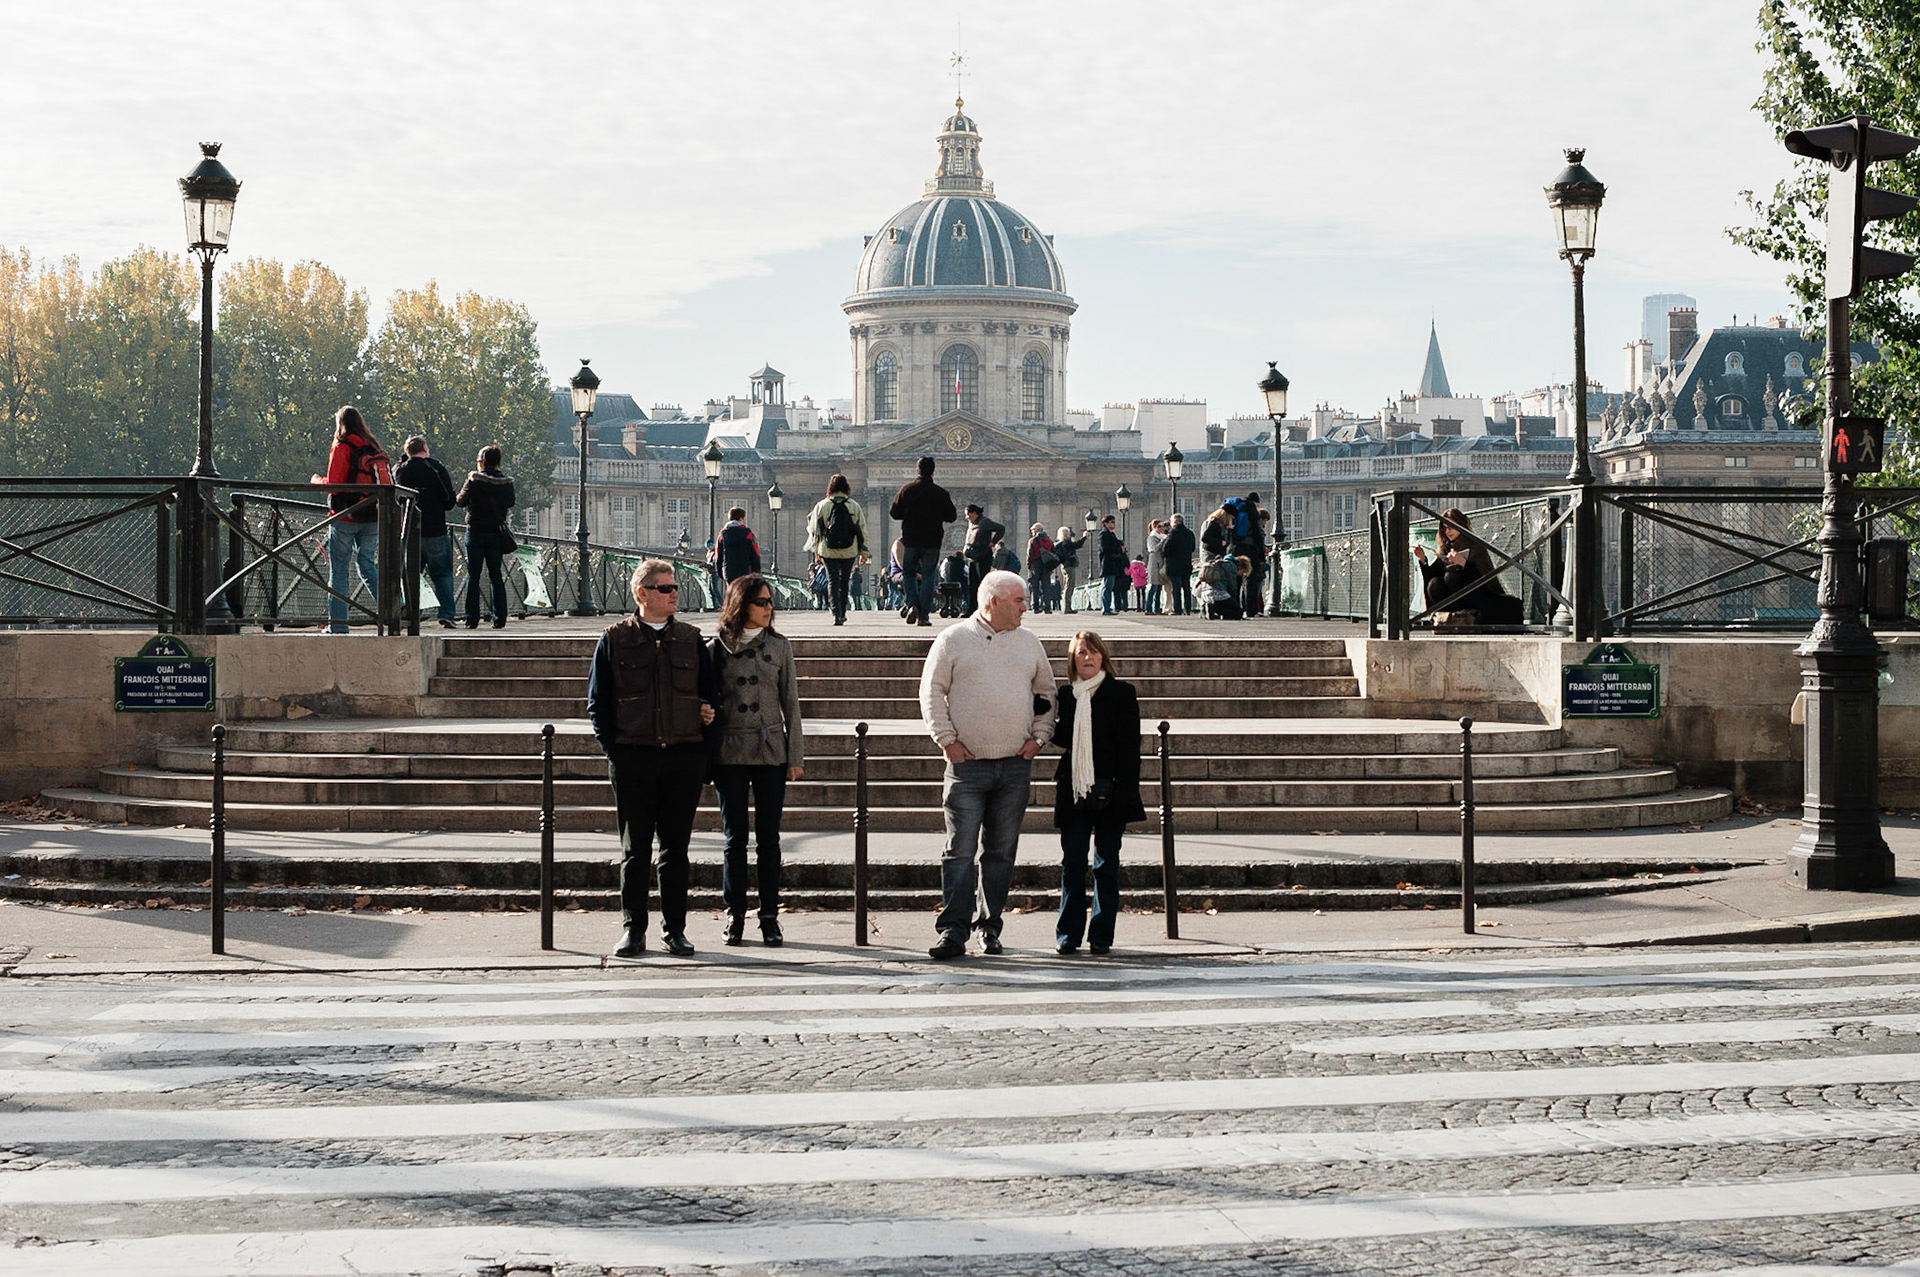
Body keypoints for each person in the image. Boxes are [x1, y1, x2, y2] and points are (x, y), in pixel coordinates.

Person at [586, 560, 720, 959]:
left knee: (676, 850)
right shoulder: (614, 639)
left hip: (682, 756)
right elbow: (597, 702)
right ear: (642, 593)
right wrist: (615, 752)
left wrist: (703, 745)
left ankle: (675, 930)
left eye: (675, 586)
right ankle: (633, 929)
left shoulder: (692, 639)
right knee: (635, 849)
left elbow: (712, 696)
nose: (674, 593)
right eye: (665, 588)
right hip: (634, 757)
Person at [920, 569, 1057, 959]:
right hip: (967, 765)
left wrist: (1039, 737)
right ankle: (953, 930)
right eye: (1018, 601)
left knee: (1000, 853)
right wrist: (946, 740)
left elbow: (1046, 692)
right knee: (959, 851)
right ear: (993, 601)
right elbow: (931, 691)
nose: (1025, 608)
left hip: (1014, 764)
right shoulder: (952, 640)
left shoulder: (1029, 642)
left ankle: (989, 925)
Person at [708, 573, 803, 948]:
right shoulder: (715, 647)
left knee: (769, 838)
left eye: (770, 602)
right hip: (730, 749)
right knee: (734, 839)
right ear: (741, 604)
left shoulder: (779, 646)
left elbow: (791, 704)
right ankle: (734, 915)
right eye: (761, 602)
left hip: (769, 749)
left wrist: (794, 755)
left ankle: (769, 917)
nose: (768, 608)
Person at [1051, 631, 1145, 955]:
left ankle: (1102, 935)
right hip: (1075, 789)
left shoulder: (1121, 693)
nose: (1088, 658)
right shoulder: (1067, 694)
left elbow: (1130, 748)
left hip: (1112, 789)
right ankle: (1068, 934)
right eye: (1081, 653)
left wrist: (1126, 791)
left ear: (1103, 657)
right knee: (1072, 863)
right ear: (1072, 660)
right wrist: (1041, 713)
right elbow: (1063, 738)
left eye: (1093, 652)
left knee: (1106, 864)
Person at [312, 406, 389, 634]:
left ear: (340, 424)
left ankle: (338, 625)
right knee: (367, 563)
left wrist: (317, 481)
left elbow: (334, 484)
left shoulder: (342, 446)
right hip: (372, 515)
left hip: (345, 516)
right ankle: (394, 608)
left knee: (339, 569)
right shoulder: (373, 446)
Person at [394, 435, 459, 629]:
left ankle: (410, 613)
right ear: (424, 448)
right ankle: (446, 614)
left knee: (410, 575)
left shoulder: (399, 469)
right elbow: (449, 501)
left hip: (408, 530)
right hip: (434, 527)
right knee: (442, 574)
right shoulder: (435, 468)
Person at [890, 456, 957, 627]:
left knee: (908, 574)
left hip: (911, 540)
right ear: (933, 472)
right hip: (932, 541)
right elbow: (951, 516)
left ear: (917, 471)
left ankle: (912, 604)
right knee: (928, 577)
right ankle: (924, 616)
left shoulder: (907, 490)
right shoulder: (940, 493)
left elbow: (894, 513)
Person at [455, 444, 516, 629]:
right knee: (496, 575)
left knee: (473, 575)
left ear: (482, 462)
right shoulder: (506, 483)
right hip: (496, 533)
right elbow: (511, 502)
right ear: (498, 462)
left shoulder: (474, 480)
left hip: (475, 531)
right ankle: (499, 618)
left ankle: (471, 619)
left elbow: (460, 501)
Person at [1415, 506, 1507, 620]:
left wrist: (1463, 563)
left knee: (1451, 576)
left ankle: (1462, 616)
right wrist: (1423, 559)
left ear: (1461, 525)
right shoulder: (1445, 547)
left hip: (1476, 596)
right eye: (1444, 528)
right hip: (1452, 601)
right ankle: (1447, 616)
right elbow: (1434, 575)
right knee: (1434, 583)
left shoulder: (1475, 546)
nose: (1447, 531)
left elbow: (1485, 578)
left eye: (1450, 527)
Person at [804, 473, 870, 626]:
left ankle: (835, 614)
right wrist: (864, 552)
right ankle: (843, 612)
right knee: (844, 582)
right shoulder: (854, 506)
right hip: (849, 550)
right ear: (846, 487)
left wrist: (816, 551)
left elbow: (815, 531)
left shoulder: (822, 505)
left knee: (832, 581)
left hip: (828, 550)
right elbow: (862, 531)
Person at [960, 504, 1004, 616]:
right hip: (973, 557)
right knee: (973, 584)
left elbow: (1001, 528)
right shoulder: (973, 523)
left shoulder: (984, 522)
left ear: (974, 513)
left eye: (967, 514)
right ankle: (972, 609)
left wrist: (993, 542)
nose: (966, 517)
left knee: (983, 583)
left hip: (983, 556)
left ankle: (987, 608)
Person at [712, 507, 762, 585]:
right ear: (741, 518)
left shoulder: (722, 535)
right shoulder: (749, 534)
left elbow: (718, 556)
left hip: (729, 572)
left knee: (732, 591)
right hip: (745, 571)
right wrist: (756, 573)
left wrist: (720, 573)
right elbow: (755, 554)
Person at [1162, 513, 1196, 616]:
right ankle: (1188, 609)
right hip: (1186, 564)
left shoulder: (1173, 533)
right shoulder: (1189, 533)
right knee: (1186, 588)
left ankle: (1177, 609)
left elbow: (1166, 549)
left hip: (1174, 565)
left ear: (1175, 522)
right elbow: (1193, 548)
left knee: (1176, 588)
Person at [1097, 515, 1128, 615]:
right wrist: (1119, 549)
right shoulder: (1103, 534)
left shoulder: (1111, 534)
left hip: (1112, 564)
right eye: (1112, 522)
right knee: (1107, 587)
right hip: (1107, 564)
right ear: (1105, 523)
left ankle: (1106, 608)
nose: (1114, 524)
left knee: (1108, 586)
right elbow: (1105, 548)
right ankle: (1105, 609)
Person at [1053, 525, 1087, 614]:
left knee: (1066, 586)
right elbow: (1077, 545)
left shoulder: (1060, 543)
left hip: (1064, 566)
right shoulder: (1067, 543)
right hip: (1069, 566)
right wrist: (1084, 537)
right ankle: (1067, 608)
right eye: (1068, 532)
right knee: (1069, 586)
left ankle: (1066, 607)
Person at [1025, 524, 1058, 614]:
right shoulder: (1049, 541)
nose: (1032, 533)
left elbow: (1030, 554)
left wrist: (1029, 565)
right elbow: (1053, 553)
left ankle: (1035, 606)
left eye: (1032, 531)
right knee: (1046, 586)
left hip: (1036, 564)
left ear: (1036, 530)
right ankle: (1047, 607)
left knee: (1034, 586)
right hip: (1046, 565)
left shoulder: (1033, 540)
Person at [1144, 519, 1168, 615]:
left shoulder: (1161, 537)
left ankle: (1157, 608)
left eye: (1162, 526)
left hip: (1160, 562)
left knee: (1159, 587)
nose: (1162, 528)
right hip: (1154, 563)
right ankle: (1148, 608)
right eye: (1159, 526)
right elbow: (1154, 548)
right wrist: (1164, 541)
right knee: (1153, 586)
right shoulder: (1152, 537)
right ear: (1154, 527)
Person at [936, 550, 969, 617]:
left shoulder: (946, 562)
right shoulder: (962, 563)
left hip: (946, 583)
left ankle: (946, 605)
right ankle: (967, 606)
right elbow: (967, 573)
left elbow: (942, 574)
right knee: (968, 591)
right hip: (958, 584)